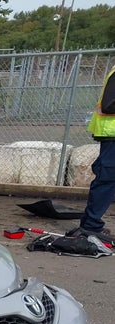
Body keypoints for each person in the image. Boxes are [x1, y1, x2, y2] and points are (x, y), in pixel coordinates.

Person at [70, 65, 115, 242]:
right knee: (106, 180)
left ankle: (91, 224)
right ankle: (90, 226)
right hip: (111, 135)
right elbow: (108, 105)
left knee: (107, 180)